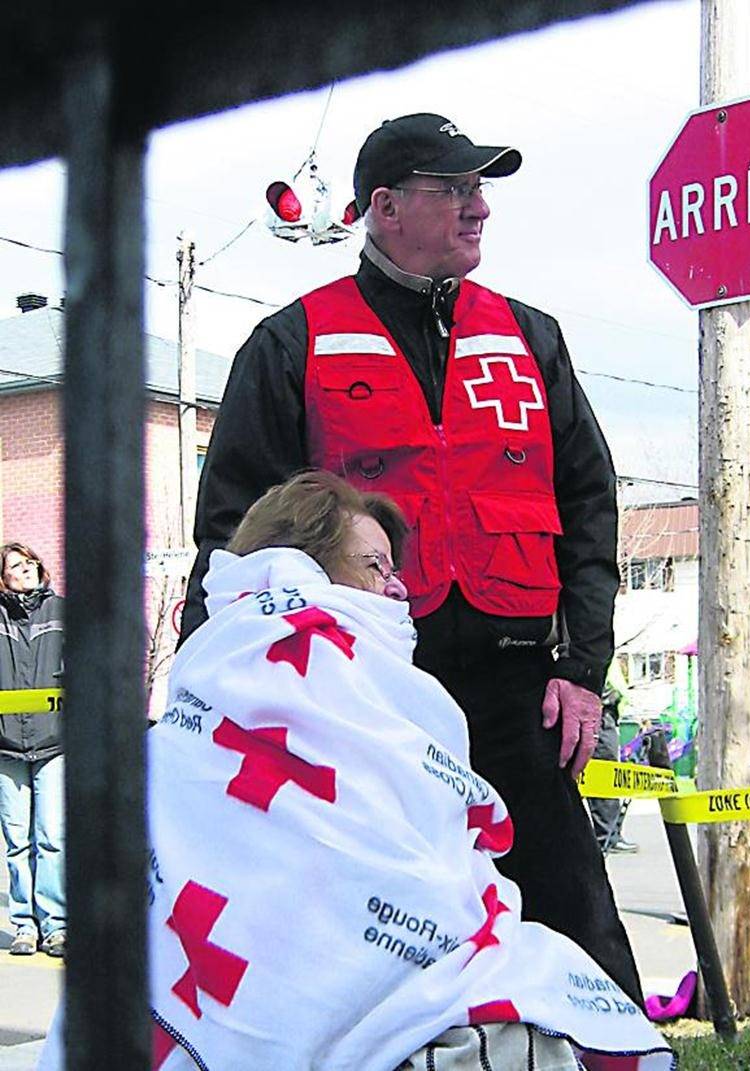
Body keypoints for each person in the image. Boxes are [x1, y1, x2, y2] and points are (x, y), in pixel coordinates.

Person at [179, 113, 641, 1003]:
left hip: (520, 692)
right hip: (367, 699)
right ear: (386, 207)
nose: (479, 209)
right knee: (370, 936)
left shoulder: (532, 337)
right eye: (455, 189)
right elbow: (231, 537)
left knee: (576, 925)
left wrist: (583, 669)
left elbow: (591, 507)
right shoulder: (292, 343)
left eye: (482, 190)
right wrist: (217, 688)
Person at [39, 471, 671, 1071]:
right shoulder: (297, 674)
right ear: (303, 569)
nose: (397, 590)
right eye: (374, 567)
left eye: (395, 570)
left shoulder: (251, 679)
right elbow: (400, 881)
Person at [0, 543, 66, 957]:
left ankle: (56, 924)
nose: (24, 571)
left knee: (52, 836)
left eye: (28, 564)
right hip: (6, 748)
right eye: (13, 568)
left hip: (54, 743)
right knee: (17, 840)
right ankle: (24, 924)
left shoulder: (61, 611)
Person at [586, 658, 639, 855]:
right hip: (598, 712)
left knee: (607, 776)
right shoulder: (589, 640)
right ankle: (607, 835)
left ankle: (610, 834)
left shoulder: (604, 645)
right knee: (603, 777)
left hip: (605, 713)